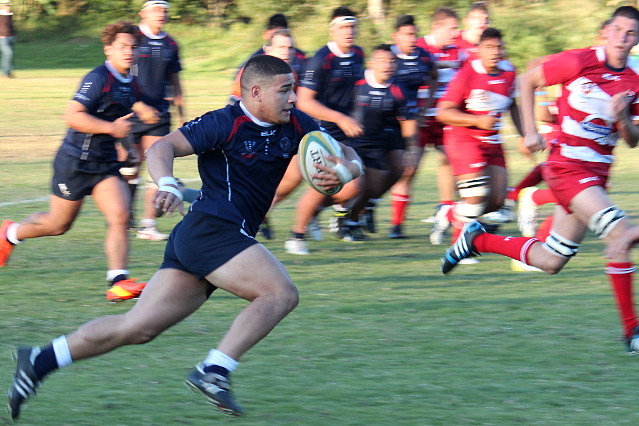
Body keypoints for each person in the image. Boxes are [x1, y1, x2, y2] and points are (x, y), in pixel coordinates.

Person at [6, 54, 362, 420]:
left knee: (137, 327)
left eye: (294, 90)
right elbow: (162, 148)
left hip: (206, 238)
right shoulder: (224, 122)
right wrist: (168, 183)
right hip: (213, 230)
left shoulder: (295, 122)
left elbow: (347, 154)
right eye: (285, 90)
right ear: (256, 92)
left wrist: (346, 170)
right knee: (279, 293)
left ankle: (40, 360)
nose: (293, 98)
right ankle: (215, 370)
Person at [440, 6, 639, 354]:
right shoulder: (580, 60)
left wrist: (623, 116)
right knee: (621, 235)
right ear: (606, 32)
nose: (623, 38)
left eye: (631, 33)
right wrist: (530, 131)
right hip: (567, 170)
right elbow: (527, 80)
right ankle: (632, 332)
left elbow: (633, 138)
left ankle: (478, 239)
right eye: (618, 30)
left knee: (550, 261)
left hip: (595, 178)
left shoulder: (634, 81)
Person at [0, 21, 156, 302]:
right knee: (58, 225)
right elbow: (73, 116)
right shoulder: (98, 78)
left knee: (121, 215)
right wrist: (112, 131)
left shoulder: (132, 84)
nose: (129, 52)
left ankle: (118, 281)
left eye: (134, 47)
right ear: (108, 49)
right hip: (75, 162)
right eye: (122, 46)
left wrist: (127, 149)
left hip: (105, 165)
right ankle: (10, 232)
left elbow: (119, 121)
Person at [436, 27, 522, 260]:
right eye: (489, 47)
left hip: (492, 142)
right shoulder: (467, 75)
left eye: (498, 47)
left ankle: (453, 213)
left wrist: (525, 135)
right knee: (475, 196)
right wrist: (477, 120)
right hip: (463, 139)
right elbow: (443, 112)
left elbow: (513, 103)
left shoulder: (510, 72)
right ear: (479, 50)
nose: (495, 52)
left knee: (495, 201)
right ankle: (458, 245)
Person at [285, 6, 365, 254]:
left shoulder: (358, 55)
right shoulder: (321, 59)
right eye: (343, 27)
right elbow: (304, 101)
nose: (348, 32)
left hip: (346, 131)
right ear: (332, 30)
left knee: (353, 186)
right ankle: (296, 236)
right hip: (319, 132)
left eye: (352, 27)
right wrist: (340, 118)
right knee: (309, 184)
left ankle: (321, 216)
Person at [390, 7, 465, 240]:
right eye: (452, 28)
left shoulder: (458, 51)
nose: (456, 32)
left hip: (444, 118)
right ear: (437, 27)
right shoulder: (418, 46)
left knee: (450, 165)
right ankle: (396, 224)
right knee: (410, 169)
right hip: (419, 120)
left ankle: (445, 211)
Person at [341, 43, 417, 241]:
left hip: (378, 142)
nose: (387, 65)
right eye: (382, 61)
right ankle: (334, 216)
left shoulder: (399, 88)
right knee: (355, 185)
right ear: (371, 63)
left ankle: (354, 219)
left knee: (373, 186)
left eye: (392, 61)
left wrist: (411, 149)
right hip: (352, 142)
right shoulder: (356, 83)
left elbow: (408, 121)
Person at [124, 0, 185, 241]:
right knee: (129, 167)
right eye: (155, 10)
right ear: (143, 14)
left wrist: (181, 115)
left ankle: (148, 225)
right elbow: (124, 75)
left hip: (159, 114)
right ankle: (125, 217)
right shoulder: (131, 39)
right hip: (128, 112)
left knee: (155, 166)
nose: (161, 15)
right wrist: (137, 105)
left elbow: (175, 80)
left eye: (164, 11)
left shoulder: (171, 45)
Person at [385, 14, 435, 238]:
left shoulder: (423, 57)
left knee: (409, 171)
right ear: (395, 36)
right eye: (407, 34)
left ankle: (397, 225)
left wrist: (426, 107)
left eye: (414, 33)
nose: (412, 38)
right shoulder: (386, 57)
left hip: (411, 123)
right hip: (385, 123)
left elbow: (433, 77)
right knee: (376, 171)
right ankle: (363, 209)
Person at [238, 13, 307, 76]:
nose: (286, 52)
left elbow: (310, 76)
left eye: (289, 47)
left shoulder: (300, 57)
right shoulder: (255, 61)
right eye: (280, 47)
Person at [0, 0, 15, 78]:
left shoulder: (9, 15)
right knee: (8, 53)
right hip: (2, 38)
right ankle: (5, 73)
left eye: (8, 5)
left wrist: (14, 35)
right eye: (6, 5)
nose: (8, 7)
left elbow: (12, 26)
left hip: (10, 37)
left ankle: (8, 72)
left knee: (8, 55)